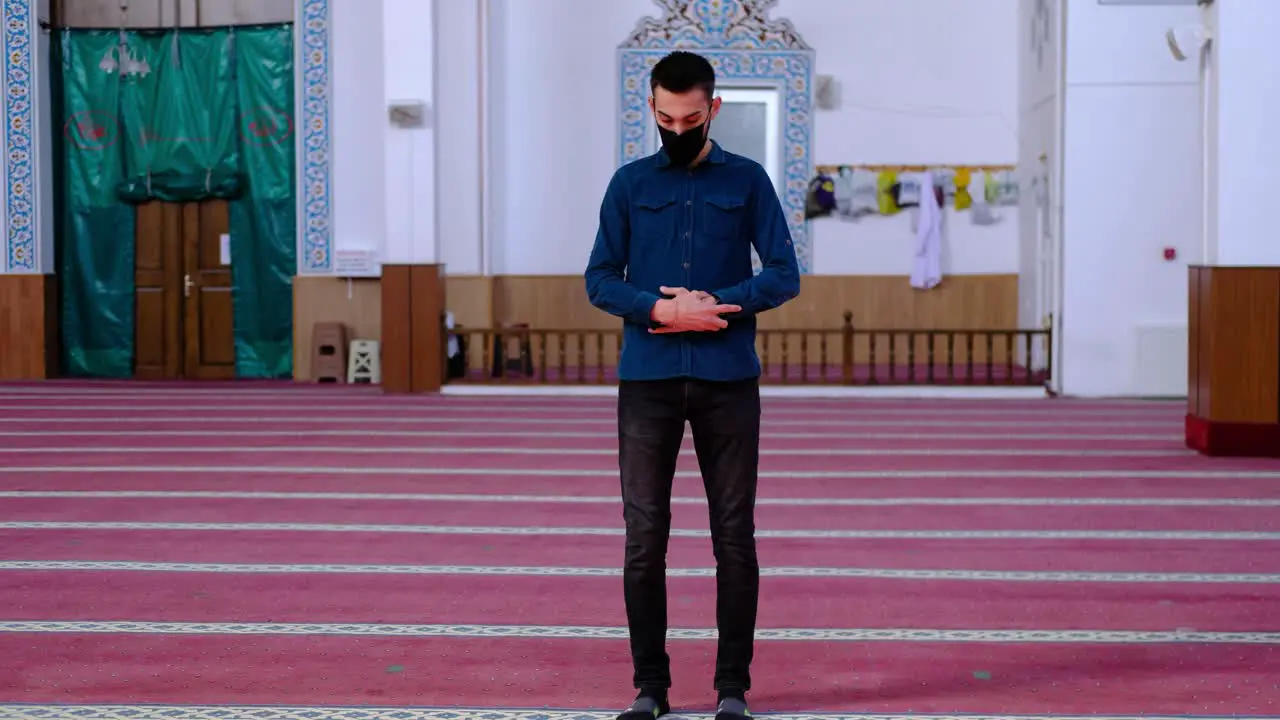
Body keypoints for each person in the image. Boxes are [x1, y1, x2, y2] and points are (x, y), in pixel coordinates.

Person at [583, 50, 801, 720]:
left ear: (714, 110)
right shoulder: (627, 184)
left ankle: (732, 689)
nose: (678, 129)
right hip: (646, 383)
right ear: (652, 109)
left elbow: (784, 275)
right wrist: (659, 309)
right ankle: (650, 688)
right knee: (643, 538)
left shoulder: (749, 181)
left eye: (692, 118)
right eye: (667, 117)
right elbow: (599, 279)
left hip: (727, 381)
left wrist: (718, 305)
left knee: (734, 535)